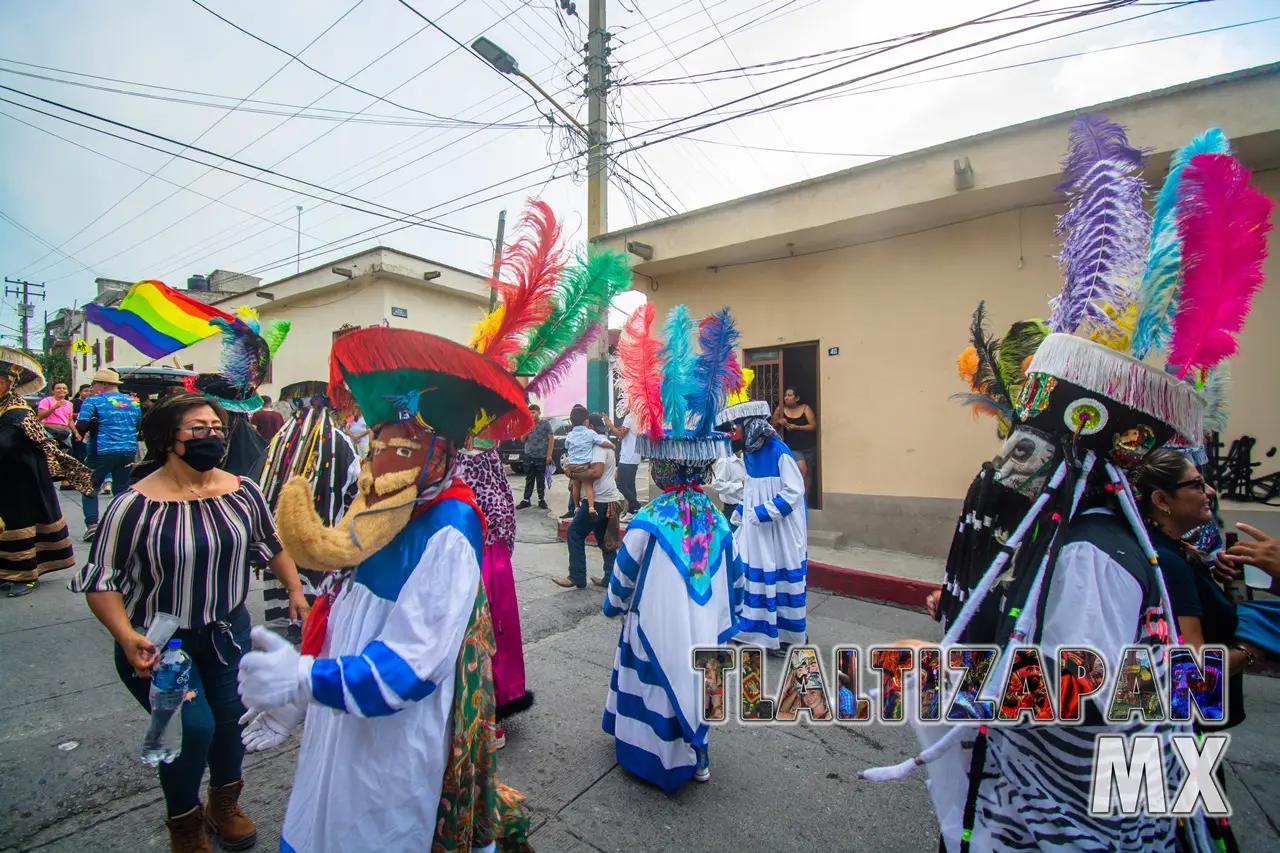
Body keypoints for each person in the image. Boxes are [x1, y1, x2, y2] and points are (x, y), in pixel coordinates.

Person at [236, 326, 532, 853]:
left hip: (393, 743)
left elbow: (408, 668)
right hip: (339, 716)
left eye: (400, 447)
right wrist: (299, 698)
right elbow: (340, 605)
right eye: (374, 447)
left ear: (439, 451)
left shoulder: (450, 526)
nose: (377, 465)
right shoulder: (377, 503)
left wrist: (305, 679)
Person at [69, 393, 308, 853]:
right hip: (160, 643)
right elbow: (99, 579)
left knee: (231, 722)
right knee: (192, 727)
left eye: (216, 428)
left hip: (227, 633)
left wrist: (296, 592)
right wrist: (125, 634)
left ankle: (224, 807)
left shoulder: (243, 490)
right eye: (198, 429)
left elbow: (270, 544)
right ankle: (184, 824)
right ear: (169, 440)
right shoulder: (132, 506)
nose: (212, 437)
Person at [602, 302, 744, 790]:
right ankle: (698, 756)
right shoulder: (718, 521)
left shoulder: (650, 518)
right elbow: (738, 581)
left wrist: (614, 603)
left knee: (656, 682)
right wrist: (729, 613)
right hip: (706, 628)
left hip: (656, 625)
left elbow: (623, 573)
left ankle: (653, 758)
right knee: (700, 682)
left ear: (660, 472)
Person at [1133, 449, 1266, 729]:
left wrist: (1218, 580)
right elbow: (1193, 674)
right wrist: (1251, 649)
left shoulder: (1169, 551)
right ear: (1161, 500)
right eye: (1196, 484)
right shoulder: (1168, 562)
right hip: (1187, 731)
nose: (1210, 490)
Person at [257, 386, 360, 644]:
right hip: (321, 535)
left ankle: (292, 631)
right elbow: (354, 488)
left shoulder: (280, 441)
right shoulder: (339, 441)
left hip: (283, 539)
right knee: (318, 612)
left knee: (288, 611)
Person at [456, 441, 533, 748]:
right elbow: (506, 512)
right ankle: (494, 715)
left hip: (470, 553)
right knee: (496, 635)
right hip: (494, 555)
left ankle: (484, 717)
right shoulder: (489, 458)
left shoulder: (450, 459)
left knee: (473, 637)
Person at [0, 351, 94, 597]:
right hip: (6, 479)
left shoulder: (18, 413)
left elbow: (10, 444)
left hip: (22, 481)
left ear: (9, 384)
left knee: (20, 526)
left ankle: (26, 574)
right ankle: (4, 571)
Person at [721, 396, 807, 656]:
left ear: (751, 426)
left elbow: (795, 491)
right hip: (755, 529)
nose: (732, 433)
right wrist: (741, 511)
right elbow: (752, 489)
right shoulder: (749, 454)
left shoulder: (779, 452)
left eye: (736, 427)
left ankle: (783, 637)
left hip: (779, 531)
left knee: (778, 577)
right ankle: (751, 632)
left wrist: (762, 513)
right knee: (749, 575)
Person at [554, 412, 623, 590]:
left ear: (589, 426)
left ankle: (577, 576)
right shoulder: (604, 442)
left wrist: (572, 473)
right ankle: (611, 578)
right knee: (605, 540)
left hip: (599, 499)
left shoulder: (597, 446)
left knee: (574, 532)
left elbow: (597, 472)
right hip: (610, 499)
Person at [77, 368, 142, 542]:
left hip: (101, 451)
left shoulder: (93, 401)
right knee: (121, 490)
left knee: (90, 487)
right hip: (128, 451)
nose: (92, 386)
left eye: (95, 383)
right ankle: (121, 526)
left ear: (104, 384)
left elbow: (81, 426)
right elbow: (137, 426)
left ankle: (92, 526)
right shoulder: (133, 402)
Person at [563, 405, 613, 518]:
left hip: (572, 464)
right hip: (584, 466)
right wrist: (612, 445)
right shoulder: (593, 436)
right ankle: (591, 508)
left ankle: (576, 507)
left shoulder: (570, 435)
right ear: (587, 423)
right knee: (588, 485)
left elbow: (566, 446)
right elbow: (596, 472)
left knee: (575, 484)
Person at [773, 386, 817, 492]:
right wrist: (779, 421)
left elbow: (813, 426)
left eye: (789, 395)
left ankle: (806, 500)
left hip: (808, 446)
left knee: (809, 474)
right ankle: (798, 497)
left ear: (797, 398)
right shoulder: (781, 409)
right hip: (793, 447)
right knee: (802, 470)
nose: (786, 398)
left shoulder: (805, 408)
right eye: (785, 395)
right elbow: (773, 424)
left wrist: (797, 427)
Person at [514, 403, 553, 511]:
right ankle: (526, 500)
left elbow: (551, 438)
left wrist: (549, 455)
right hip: (529, 455)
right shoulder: (526, 424)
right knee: (529, 478)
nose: (531, 414)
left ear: (539, 413)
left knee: (540, 479)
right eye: (530, 412)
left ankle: (541, 500)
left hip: (541, 456)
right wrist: (527, 431)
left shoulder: (545, 424)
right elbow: (522, 440)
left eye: (534, 412)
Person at [607, 411, 641, 519]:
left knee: (620, 484)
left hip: (627, 456)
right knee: (630, 485)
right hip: (635, 456)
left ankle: (636, 506)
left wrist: (610, 425)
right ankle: (632, 511)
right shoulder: (639, 416)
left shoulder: (629, 417)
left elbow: (620, 435)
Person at [37, 381, 74, 448]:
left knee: (63, 455)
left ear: (67, 391)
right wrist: (54, 407)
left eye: (64, 388)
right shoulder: (46, 401)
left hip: (64, 433)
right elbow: (40, 417)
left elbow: (70, 420)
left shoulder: (70, 404)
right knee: (49, 454)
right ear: (53, 391)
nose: (62, 390)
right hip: (49, 431)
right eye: (58, 388)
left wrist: (76, 433)